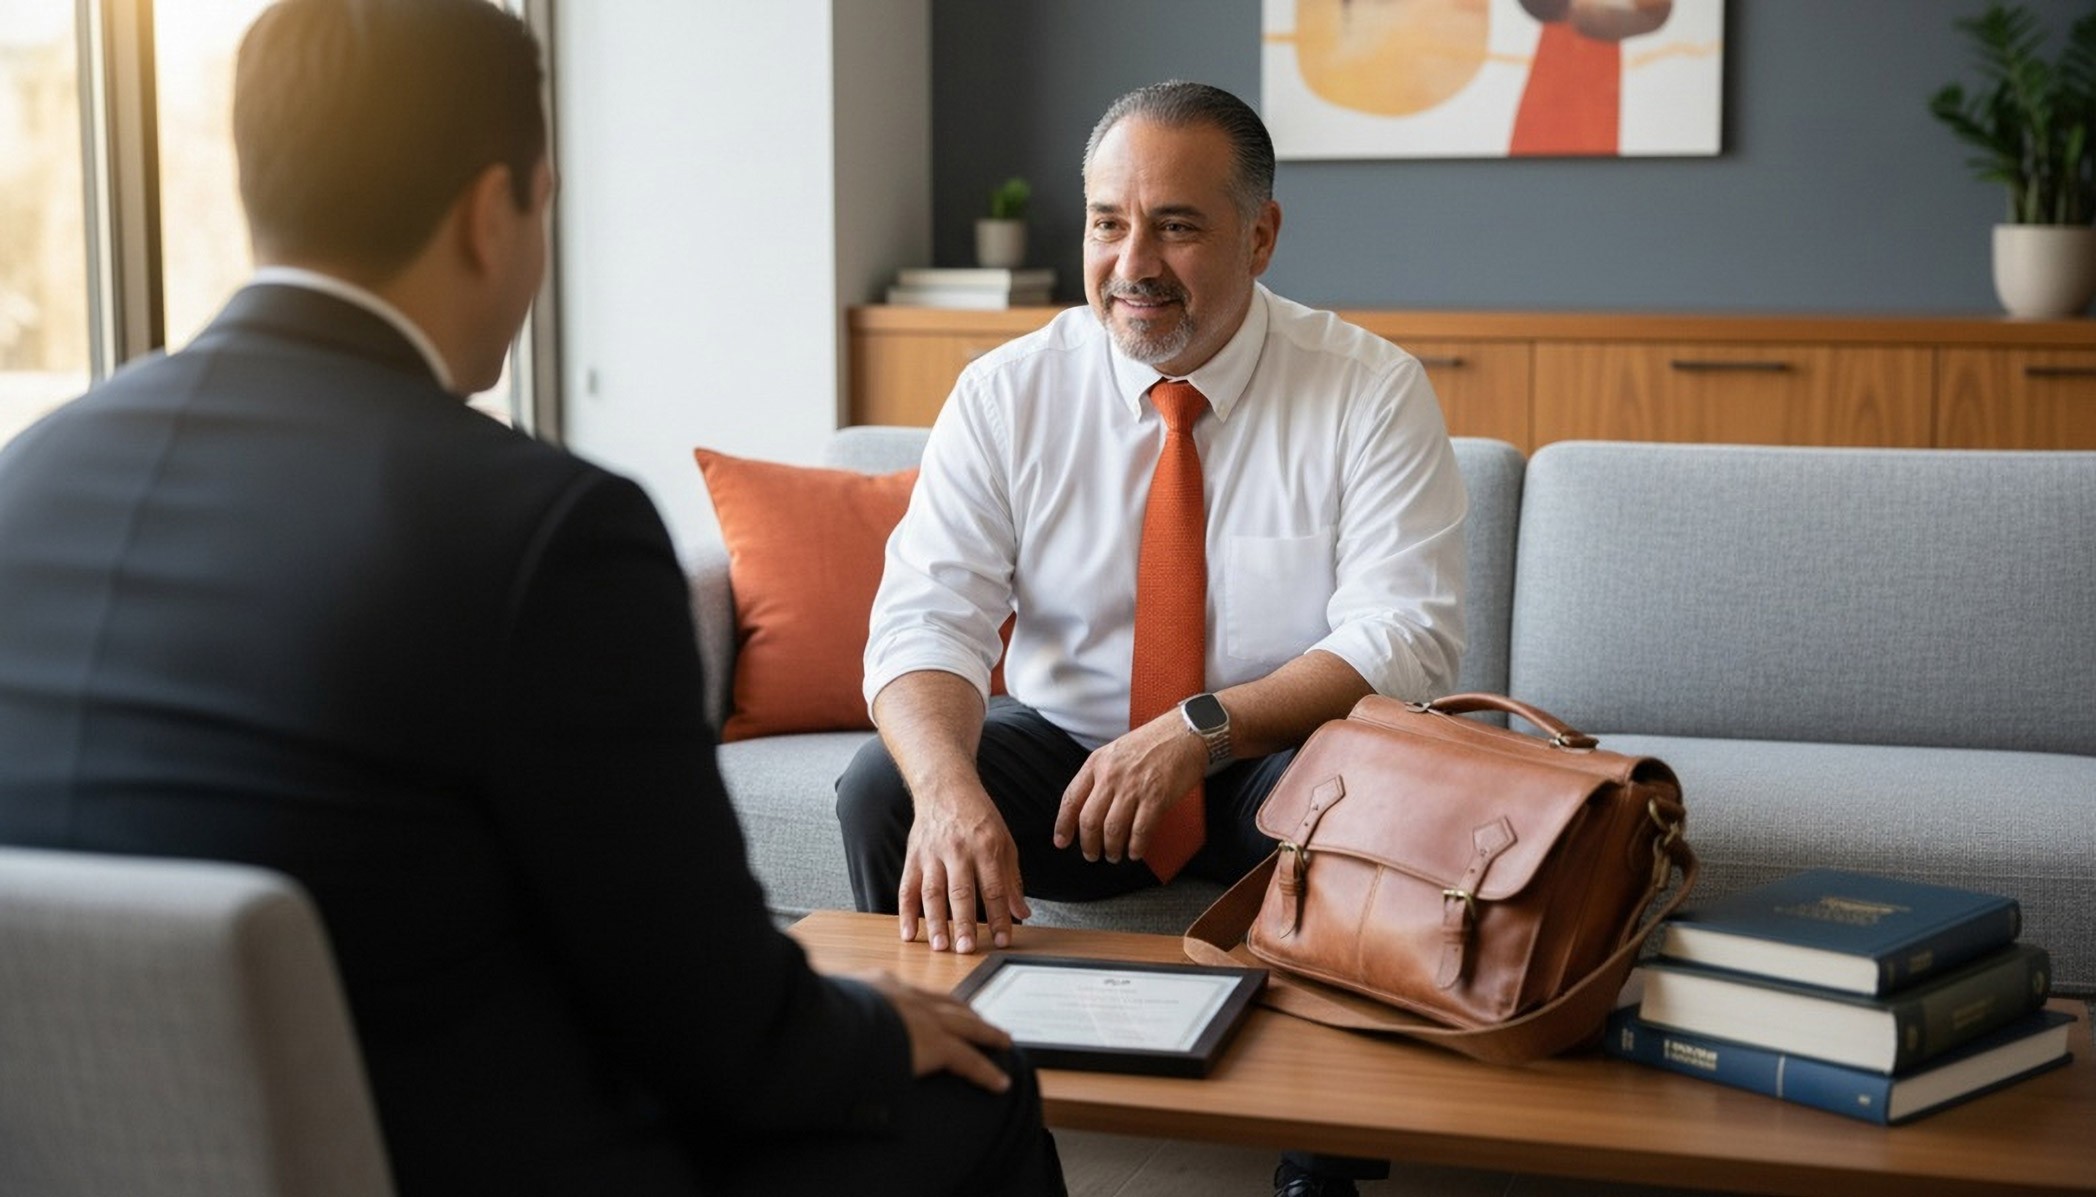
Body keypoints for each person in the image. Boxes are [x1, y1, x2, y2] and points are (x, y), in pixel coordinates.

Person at [0, 2, 1063, 1195]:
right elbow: (718, 1028)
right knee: (976, 1091)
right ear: (489, 212)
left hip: (71, 1155)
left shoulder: (27, 477)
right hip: (460, 1154)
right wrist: (868, 1022)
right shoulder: (544, 531)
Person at [836, 79, 1466, 1197]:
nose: (1133, 263)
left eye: (1175, 226)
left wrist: (1196, 731)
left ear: (1260, 236)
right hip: (1067, 763)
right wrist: (944, 789)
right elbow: (925, 618)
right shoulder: (1006, 393)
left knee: (1368, 804)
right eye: (1106, 223)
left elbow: (1404, 634)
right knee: (885, 788)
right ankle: (962, 1143)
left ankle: (1317, 1168)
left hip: (1268, 765)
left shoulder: (1367, 389)